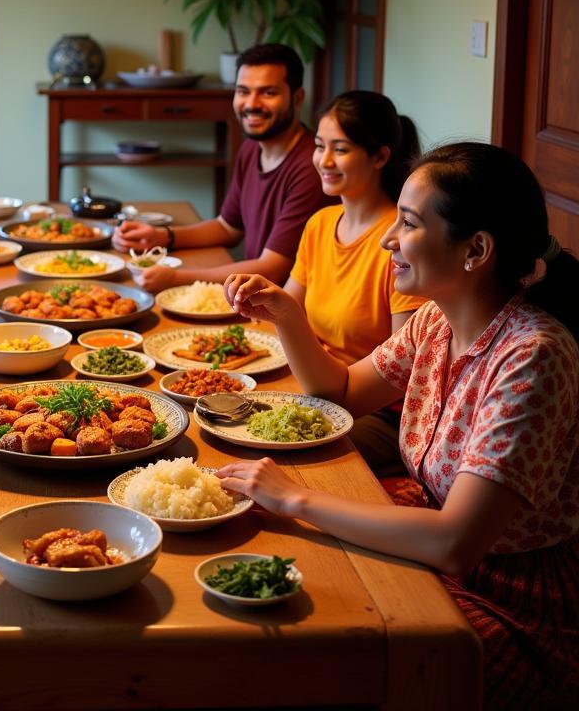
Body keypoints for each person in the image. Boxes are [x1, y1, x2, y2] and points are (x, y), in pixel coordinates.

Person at [220, 143, 579, 709]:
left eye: (408, 224)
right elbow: (338, 392)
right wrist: (286, 315)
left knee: (322, 648)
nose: (388, 240)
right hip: (431, 534)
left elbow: (458, 544)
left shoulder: (532, 355)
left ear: (476, 250)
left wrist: (295, 500)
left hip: (511, 591)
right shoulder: (437, 320)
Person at [113, 43, 334, 293]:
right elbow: (228, 227)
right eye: (243, 91)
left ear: (297, 98)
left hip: (281, 311)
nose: (252, 104)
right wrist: (160, 236)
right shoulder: (252, 147)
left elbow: (272, 268)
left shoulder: (311, 167)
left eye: (268, 92)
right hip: (247, 297)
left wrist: (176, 278)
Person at [288, 91, 425, 474]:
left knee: (288, 458)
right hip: (314, 385)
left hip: (377, 412)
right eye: (319, 146)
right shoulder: (319, 225)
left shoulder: (398, 244)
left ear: (380, 157)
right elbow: (286, 310)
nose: (324, 161)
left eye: (341, 149)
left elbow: (403, 376)